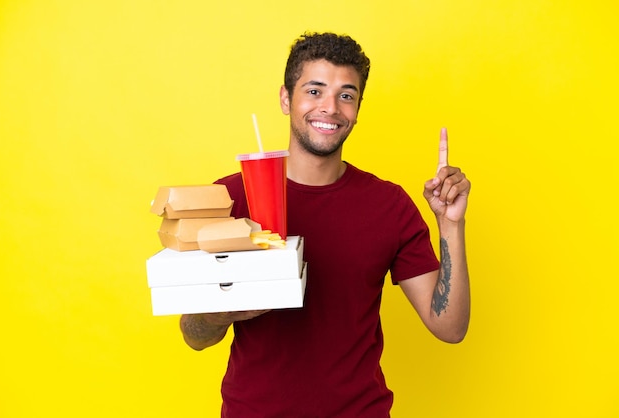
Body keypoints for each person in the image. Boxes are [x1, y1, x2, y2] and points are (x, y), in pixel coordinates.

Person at [179, 32, 471, 417]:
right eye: (314, 91)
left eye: (346, 95)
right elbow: (194, 335)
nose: (330, 108)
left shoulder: (389, 205)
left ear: (358, 108)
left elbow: (449, 328)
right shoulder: (230, 198)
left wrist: (450, 225)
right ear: (286, 99)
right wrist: (229, 310)